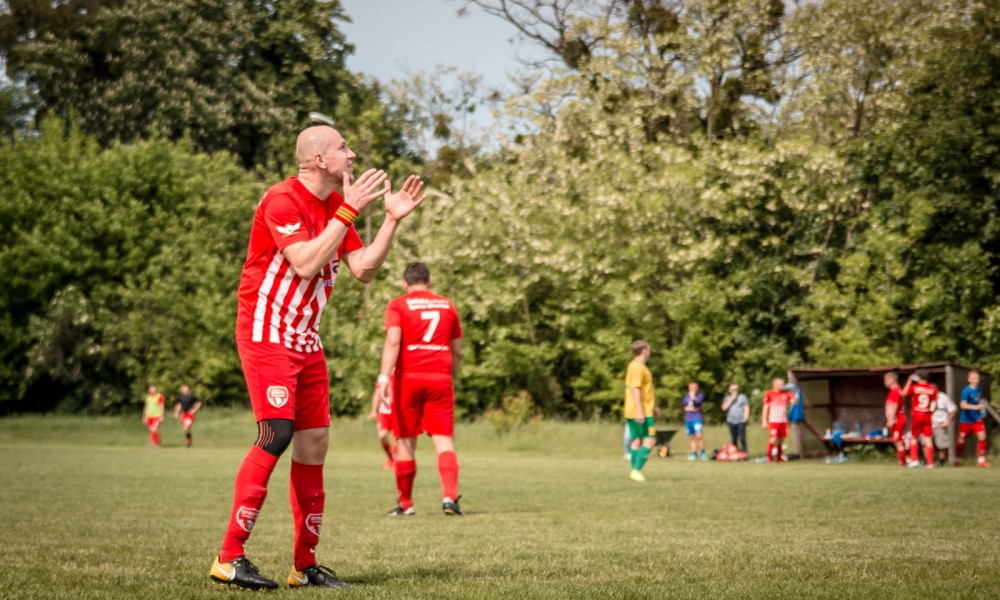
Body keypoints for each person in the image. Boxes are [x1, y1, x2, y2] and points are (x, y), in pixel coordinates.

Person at [209, 125, 425, 591]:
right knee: (276, 432)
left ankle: (303, 567)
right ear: (319, 160)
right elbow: (305, 262)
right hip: (267, 334)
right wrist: (349, 212)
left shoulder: (333, 208)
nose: (350, 154)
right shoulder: (282, 199)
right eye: (343, 148)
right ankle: (229, 557)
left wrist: (389, 220)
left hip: (306, 340)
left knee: (314, 445)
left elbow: (364, 270)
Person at [376, 263, 464, 516]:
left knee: (405, 442)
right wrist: (450, 375)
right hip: (440, 378)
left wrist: (383, 378)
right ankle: (449, 499)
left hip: (408, 379)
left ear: (405, 283)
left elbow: (393, 341)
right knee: (444, 440)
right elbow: (456, 350)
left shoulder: (398, 305)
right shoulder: (448, 305)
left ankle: (405, 504)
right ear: (430, 281)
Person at [624, 340, 660, 481]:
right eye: (649, 349)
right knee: (650, 440)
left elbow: (645, 391)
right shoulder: (638, 367)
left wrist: (654, 406)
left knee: (636, 441)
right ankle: (636, 470)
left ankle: (634, 471)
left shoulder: (635, 366)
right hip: (640, 411)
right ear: (644, 350)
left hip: (634, 409)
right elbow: (635, 389)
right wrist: (640, 411)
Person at [902, 370, 938, 469]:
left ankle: (914, 460)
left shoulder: (915, 387)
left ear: (918, 377)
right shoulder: (933, 388)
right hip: (927, 416)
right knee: (928, 439)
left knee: (914, 438)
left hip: (917, 416)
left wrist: (909, 380)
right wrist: (930, 412)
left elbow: (904, 393)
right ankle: (930, 463)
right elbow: (935, 404)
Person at [957, 370, 991, 467]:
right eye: (973, 378)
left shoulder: (979, 388)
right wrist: (977, 407)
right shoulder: (966, 391)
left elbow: (979, 400)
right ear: (969, 379)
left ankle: (981, 460)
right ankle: (957, 459)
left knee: (982, 437)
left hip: (976, 418)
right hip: (966, 420)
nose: (976, 380)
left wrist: (981, 408)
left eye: (977, 378)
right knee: (961, 440)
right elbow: (962, 405)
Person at [761, 378, 796, 463]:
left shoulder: (786, 394)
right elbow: (766, 407)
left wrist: (792, 392)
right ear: (775, 384)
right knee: (773, 439)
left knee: (781, 440)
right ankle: (769, 458)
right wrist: (764, 420)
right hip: (774, 420)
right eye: (780, 384)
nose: (782, 386)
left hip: (783, 420)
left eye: (782, 384)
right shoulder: (769, 394)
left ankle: (779, 459)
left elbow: (794, 402)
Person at [368, 374, 397, 470]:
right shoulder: (384, 377)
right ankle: (391, 457)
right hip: (384, 412)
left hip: (397, 411)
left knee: (396, 437)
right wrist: (373, 410)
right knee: (382, 436)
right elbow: (377, 394)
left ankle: (396, 460)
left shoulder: (401, 375)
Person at [883, 372, 908, 467]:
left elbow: (894, 405)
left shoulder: (895, 391)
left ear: (891, 380)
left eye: (885, 381)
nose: (884, 383)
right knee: (896, 440)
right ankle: (902, 461)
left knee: (898, 441)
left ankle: (902, 463)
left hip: (897, 419)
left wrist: (890, 419)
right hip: (897, 419)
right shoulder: (896, 391)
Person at [931, 391, 957, 467]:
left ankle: (941, 463)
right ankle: (929, 462)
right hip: (927, 423)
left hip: (940, 424)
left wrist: (948, 420)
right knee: (925, 443)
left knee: (941, 444)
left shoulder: (943, 397)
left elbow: (953, 409)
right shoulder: (925, 394)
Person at [721, 382, 749, 453]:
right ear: (729, 390)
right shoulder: (727, 398)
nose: (734, 391)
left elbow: (746, 407)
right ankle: (735, 452)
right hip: (731, 421)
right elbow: (724, 408)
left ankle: (744, 452)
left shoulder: (742, 397)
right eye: (732, 390)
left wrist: (746, 417)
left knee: (742, 437)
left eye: (736, 389)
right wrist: (732, 399)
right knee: (734, 438)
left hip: (741, 421)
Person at [682, 381, 707, 461]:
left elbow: (696, 405)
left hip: (696, 418)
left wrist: (693, 397)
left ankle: (703, 453)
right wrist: (688, 408)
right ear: (689, 388)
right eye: (691, 387)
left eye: (694, 387)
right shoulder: (686, 396)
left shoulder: (700, 396)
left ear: (697, 388)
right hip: (688, 419)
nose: (693, 389)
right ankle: (694, 454)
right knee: (691, 437)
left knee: (699, 435)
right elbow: (685, 407)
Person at [172, 383, 202, 449]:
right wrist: (176, 412)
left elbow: (199, 404)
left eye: (186, 389)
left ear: (188, 389)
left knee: (186, 428)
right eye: (183, 389)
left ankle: (189, 444)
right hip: (183, 414)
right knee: (186, 430)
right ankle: (189, 444)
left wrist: (194, 410)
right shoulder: (180, 397)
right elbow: (179, 405)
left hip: (190, 414)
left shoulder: (192, 396)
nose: (184, 390)